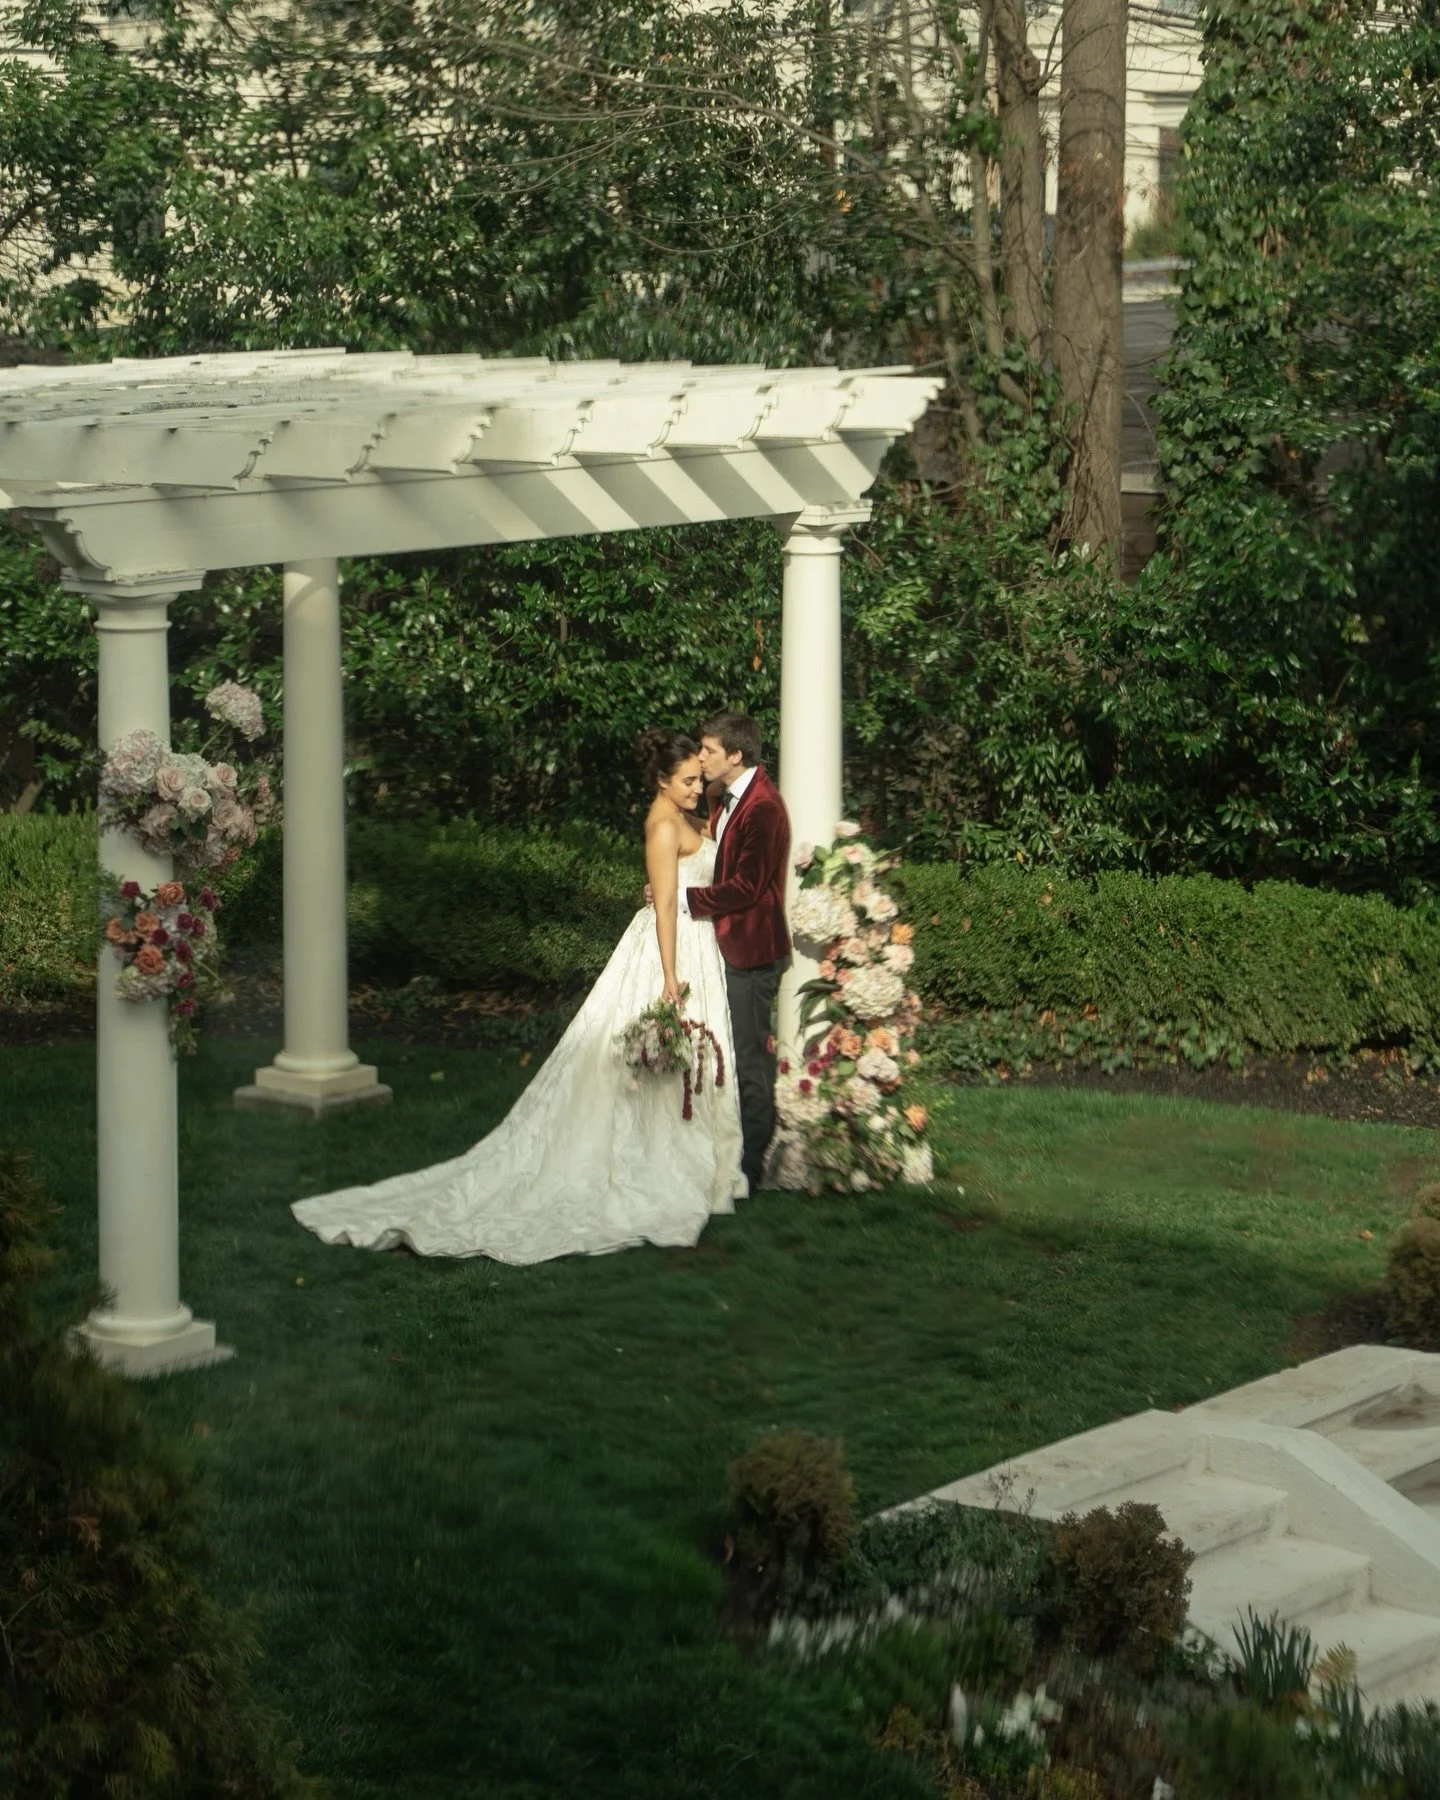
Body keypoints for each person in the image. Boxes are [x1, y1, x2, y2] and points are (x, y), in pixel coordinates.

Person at [290, 731, 745, 1263]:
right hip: (673, 949)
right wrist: (668, 976)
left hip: (695, 941)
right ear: (661, 781)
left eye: (698, 779)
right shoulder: (663, 825)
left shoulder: (687, 813)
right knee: (664, 1062)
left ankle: (694, 1153)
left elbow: (688, 875)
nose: (697, 788)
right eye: (687, 781)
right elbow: (665, 906)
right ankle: (659, 1160)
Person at [680, 712, 791, 1196]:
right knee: (728, 1051)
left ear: (736, 755)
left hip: (752, 951)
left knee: (749, 1058)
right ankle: (728, 1150)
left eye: (708, 750)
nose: (700, 757)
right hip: (725, 945)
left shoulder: (764, 807)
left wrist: (682, 898)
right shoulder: (721, 797)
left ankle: (753, 1165)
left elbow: (746, 887)